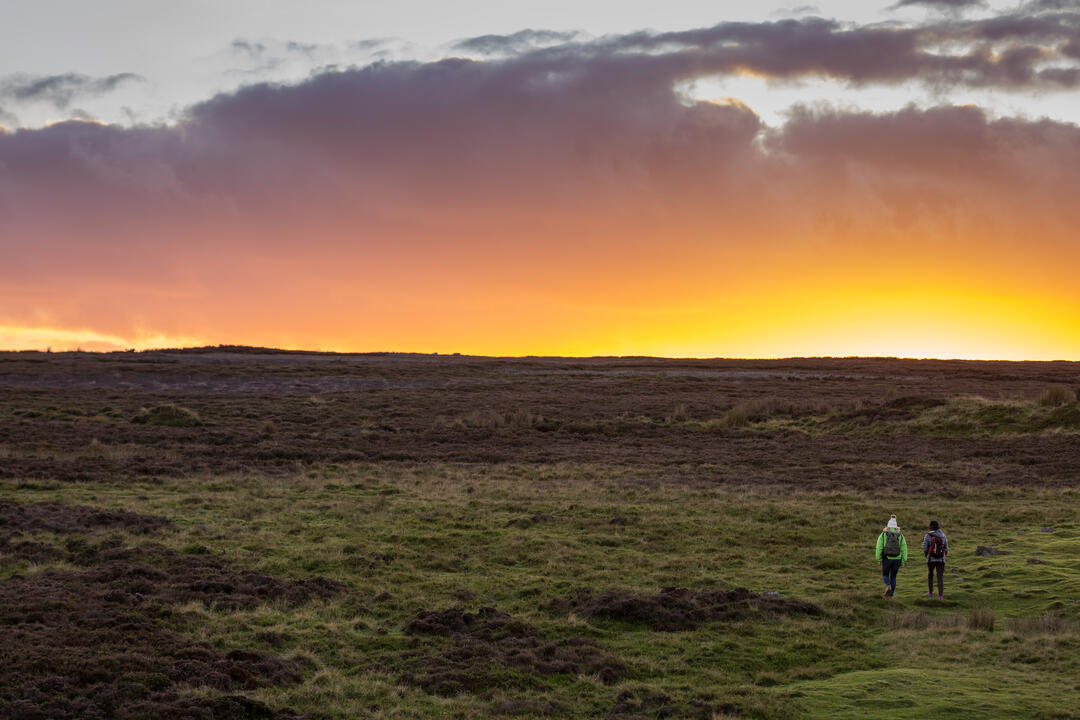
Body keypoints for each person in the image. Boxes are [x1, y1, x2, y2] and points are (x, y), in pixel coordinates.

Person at [875, 514, 908, 597]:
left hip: (887, 558)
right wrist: (903, 561)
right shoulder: (901, 536)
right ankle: (891, 595)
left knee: (885, 575)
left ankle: (888, 585)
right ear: (896, 526)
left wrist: (878, 560)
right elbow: (904, 549)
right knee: (893, 577)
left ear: (888, 526)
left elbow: (879, 548)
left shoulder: (883, 535)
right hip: (897, 559)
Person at [923, 520, 949, 600]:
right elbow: (946, 549)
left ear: (931, 526)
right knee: (940, 577)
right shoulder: (943, 536)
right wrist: (943, 556)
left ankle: (931, 592)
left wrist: (927, 556)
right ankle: (940, 596)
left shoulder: (928, 535)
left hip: (931, 560)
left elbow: (925, 547)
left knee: (930, 574)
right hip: (941, 560)